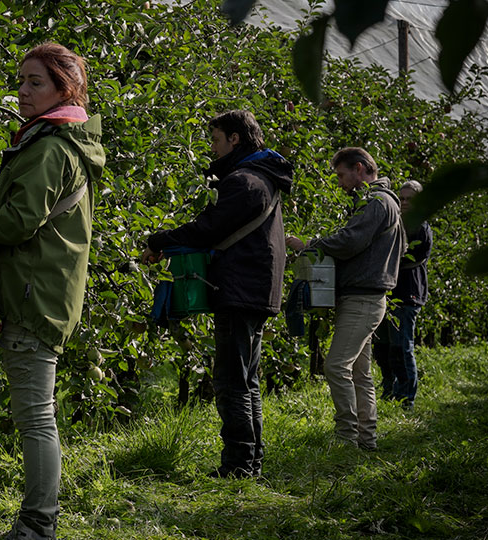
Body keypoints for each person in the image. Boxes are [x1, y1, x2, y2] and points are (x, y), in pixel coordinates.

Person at [0, 42, 105, 540]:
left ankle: (38, 524)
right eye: (20, 81)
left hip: (35, 295)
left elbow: (19, 222)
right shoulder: (64, 143)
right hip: (45, 289)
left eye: (35, 82)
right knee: (37, 413)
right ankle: (40, 520)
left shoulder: (50, 148)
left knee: (36, 417)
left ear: (66, 88)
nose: (22, 91)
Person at [141, 110, 294, 479]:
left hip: (241, 290)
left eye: (215, 139)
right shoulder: (263, 179)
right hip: (255, 289)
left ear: (235, 139)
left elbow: (208, 228)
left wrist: (159, 239)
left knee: (230, 380)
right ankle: (251, 462)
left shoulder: (245, 181)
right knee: (246, 379)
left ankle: (238, 466)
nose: (211, 148)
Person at [287, 147, 405, 451]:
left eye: (342, 175)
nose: (340, 183)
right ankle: (366, 440)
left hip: (363, 300)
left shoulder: (375, 203)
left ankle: (347, 437)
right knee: (359, 373)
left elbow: (351, 240)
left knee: (336, 366)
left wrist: (309, 244)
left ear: (361, 168)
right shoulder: (383, 203)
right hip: (366, 298)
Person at [372, 180, 432, 409]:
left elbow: (409, 257)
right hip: (388, 292)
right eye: (402, 198)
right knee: (383, 346)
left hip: (408, 295)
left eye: (410, 199)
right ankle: (390, 389)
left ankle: (407, 398)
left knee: (401, 346)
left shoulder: (420, 227)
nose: (405, 202)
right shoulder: (394, 222)